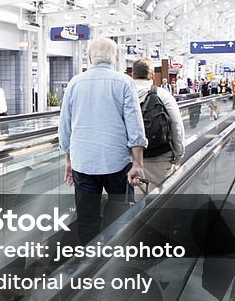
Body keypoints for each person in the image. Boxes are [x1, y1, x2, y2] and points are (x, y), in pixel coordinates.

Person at [59, 37, 147, 245]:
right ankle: (116, 262)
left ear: (89, 58)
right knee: (121, 216)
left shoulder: (74, 83)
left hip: (83, 163)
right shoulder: (124, 82)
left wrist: (69, 161)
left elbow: (65, 127)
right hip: (117, 163)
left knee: (87, 219)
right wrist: (138, 164)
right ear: (114, 58)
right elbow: (135, 126)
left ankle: (89, 266)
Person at [132, 58, 185, 186]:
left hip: (129, 160)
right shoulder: (163, 95)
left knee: (132, 201)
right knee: (159, 201)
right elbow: (176, 125)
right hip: (159, 158)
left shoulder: (122, 95)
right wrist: (178, 152)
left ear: (133, 74)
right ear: (152, 75)